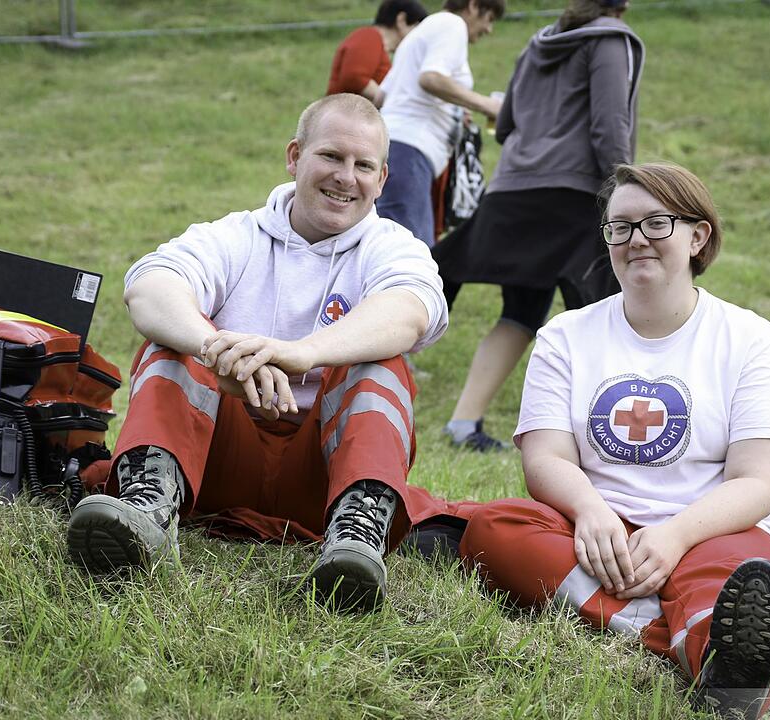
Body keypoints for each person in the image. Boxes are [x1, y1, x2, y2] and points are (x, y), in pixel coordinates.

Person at [66, 94, 453, 613]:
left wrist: (301, 353)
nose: (346, 177)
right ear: (295, 156)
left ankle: (357, 538)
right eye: (331, 157)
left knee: (382, 361)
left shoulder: (394, 247)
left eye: (363, 166)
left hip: (323, 476)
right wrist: (213, 348)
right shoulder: (236, 235)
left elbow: (410, 311)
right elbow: (149, 286)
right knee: (175, 343)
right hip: (213, 462)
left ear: (382, 180)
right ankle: (148, 510)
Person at [457, 163, 770, 718]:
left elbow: (758, 480)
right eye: (620, 227)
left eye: (656, 224)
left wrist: (675, 536)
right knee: (496, 529)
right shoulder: (565, 335)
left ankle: (727, 667)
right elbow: (545, 456)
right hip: (595, 536)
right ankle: (709, 648)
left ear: (698, 236)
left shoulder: (751, 340)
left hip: (708, 532)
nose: (636, 239)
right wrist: (591, 511)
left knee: (738, 570)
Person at [433, 0, 644, 451]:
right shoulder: (611, 40)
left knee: (525, 310)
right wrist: (628, 193)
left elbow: (506, 124)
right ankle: (606, 439)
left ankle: (463, 425)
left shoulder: (538, 42)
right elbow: (610, 127)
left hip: (511, 188)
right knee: (605, 314)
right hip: (574, 195)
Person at [376, 0, 506, 248]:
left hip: (395, 150)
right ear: (473, 5)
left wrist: (453, 110)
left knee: (388, 248)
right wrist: (487, 105)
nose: (489, 29)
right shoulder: (451, 24)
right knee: (413, 256)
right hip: (409, 153)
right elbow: (431, 77)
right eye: (489, 18)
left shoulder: (421, 32)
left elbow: (381, 97)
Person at [326, 0, 429, 107]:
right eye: (417, 27)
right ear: (401, 20)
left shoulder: (378, 45)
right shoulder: (370, 35)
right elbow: (354, 77)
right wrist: (394, 105)